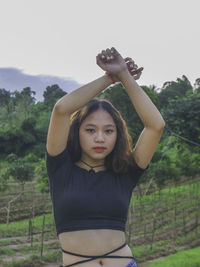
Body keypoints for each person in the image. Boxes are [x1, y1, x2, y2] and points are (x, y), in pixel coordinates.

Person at [46, 47, 165, 267]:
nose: (100, 138)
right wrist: (109, 78)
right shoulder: (60, 168)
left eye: (108, 131)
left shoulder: (125, 172)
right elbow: (61, 109)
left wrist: (125, 76)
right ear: (77, 132)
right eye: (90, 130)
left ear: (117, 136)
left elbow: (155, 125)